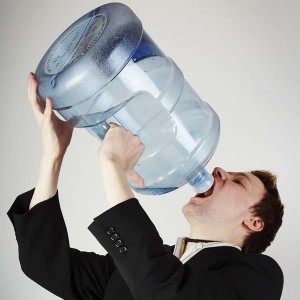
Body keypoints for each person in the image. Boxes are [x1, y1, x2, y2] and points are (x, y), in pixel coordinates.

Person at [7, 72, 284, 300]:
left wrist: (113, 164)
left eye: (238, 181)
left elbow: (164, 290)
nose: (219, 170)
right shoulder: (142, 260)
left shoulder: (259, 277)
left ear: (254, 221)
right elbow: (43, 263)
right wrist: (53, 157)